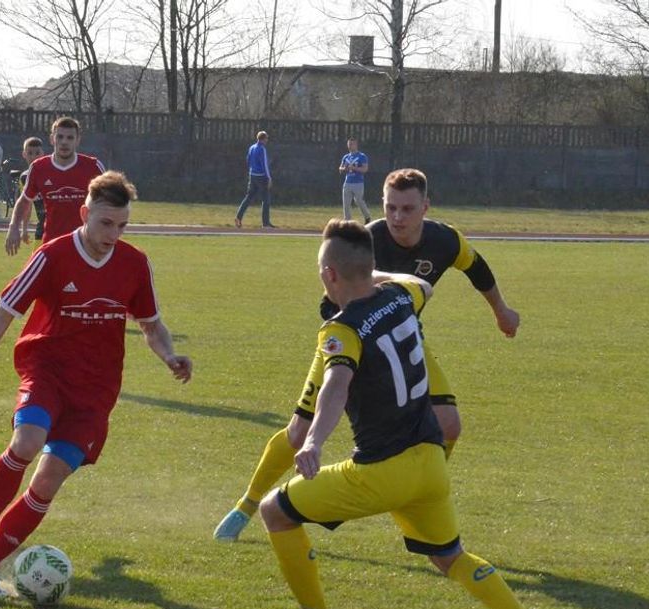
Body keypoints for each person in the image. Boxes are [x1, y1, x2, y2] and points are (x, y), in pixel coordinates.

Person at [255, 218, 558, 609]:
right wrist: (378, 276)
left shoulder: (340, 330)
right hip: (430, 462)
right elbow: (422, 284)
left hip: (382, 471)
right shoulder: (400, 297)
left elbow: (336, 383)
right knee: (449, 556)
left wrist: (314, 441)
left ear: (329, 275)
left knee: (275, 512)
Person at [214, 168, 520, 541]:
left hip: (404, 338)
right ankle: (247, 504)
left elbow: (478, 269)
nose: (397, 217)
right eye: (391, 207)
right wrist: (386, 282)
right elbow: (333, 294)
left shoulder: (446, 240)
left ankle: (414, 494)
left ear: (426, 206)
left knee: (450, 424)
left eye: (407, 209)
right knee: (299, 431)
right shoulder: (368, 238)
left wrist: (501, 311)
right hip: (344, 339)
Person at [0, 170, 193, 597]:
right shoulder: (52, 256)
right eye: (105, 223)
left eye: (122, 225)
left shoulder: (134, 264)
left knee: (48, 480)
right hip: (46, 369)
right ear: (85, 213)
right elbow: (2, 316)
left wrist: (169, 355)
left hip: (95, 394)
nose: (113, 234)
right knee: (27, 442)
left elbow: (152, 325)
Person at [4, 116, 104, 256]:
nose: (64, 142)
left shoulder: (93, 167)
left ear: (77, 140)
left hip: (85, 246)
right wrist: (14, 227)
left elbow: (109, 202)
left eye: (70, 138)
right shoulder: (39, 168)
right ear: (52, 139)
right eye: (60, 137)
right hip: (51, 245)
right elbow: (25, 200)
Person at [234, 130, 274, 229]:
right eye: (266, 138)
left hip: (252, 175)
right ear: (263, 139)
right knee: (266, 199)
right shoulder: (262, 149)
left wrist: (251, 170)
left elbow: (248, 160)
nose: (267, 140)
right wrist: (268, 177)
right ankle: (265, 223)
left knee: (248, 197)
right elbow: (265, 164)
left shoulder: (251, 147)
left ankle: (238, 217)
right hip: (261, 176)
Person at [18, 136, 47, 244]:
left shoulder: (52, 171)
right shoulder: (24, 177)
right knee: (37, 259)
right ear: (24, 154)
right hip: (43, 228)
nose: (34, 157)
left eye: (37, 153)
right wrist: (24, 229)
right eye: (30, 153)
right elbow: (27, 205)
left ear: (42, 153)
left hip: (61, 227)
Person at [339, 136, 372, 223]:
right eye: (349, 144)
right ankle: (347, 222)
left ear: (356, 145)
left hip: (358, 183)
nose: (350, 146)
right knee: (346, 204)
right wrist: (344, 169)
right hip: (347, 182)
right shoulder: (346, 157)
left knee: (358, 201)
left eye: (352, 144)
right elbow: (340, 168)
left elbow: (365, 169)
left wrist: (354, 168)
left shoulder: (362, 156)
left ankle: (367, 217)